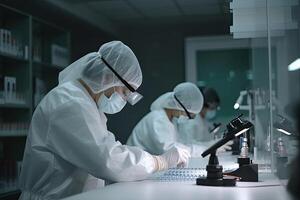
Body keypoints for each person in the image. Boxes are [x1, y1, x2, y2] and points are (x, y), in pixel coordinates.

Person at [18, 41, 190, 200]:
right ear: (108, 78)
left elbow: (108, 150)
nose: (124, 99)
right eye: (125, 92)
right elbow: (107, 159)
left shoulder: (86, 103)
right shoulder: (70, 102)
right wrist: (159, 161)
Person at [127, 82, 230, 157]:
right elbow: (172, 151)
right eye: (189, 115)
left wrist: (209, 147)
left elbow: (183, 144)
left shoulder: (171, 120)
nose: (187, 118)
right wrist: (207, 149)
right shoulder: (158, 120)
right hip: (135, 167)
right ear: (181, 106)